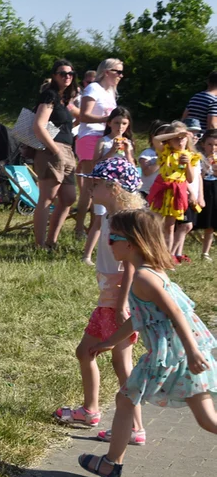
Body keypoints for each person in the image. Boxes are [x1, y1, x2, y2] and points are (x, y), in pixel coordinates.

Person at [78, 209, 217, 477]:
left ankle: (111, 464)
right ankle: (111, 463)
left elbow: (177, 314)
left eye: (111, 238)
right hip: (177, 354)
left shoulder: (143, 278)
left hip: (173, 356)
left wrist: (191, 352)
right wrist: (110, 341)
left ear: (130, 243)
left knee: (128, 399)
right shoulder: (150, 273)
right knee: (203, 419)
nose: (108, 244)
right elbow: (143, 318)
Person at [53, 159, 145, 443]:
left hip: (118, 301)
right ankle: (91, 410)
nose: (89, 186)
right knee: (86, 351)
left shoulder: (124, 220)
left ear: (113, 187)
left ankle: (134, 427)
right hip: (109, 298)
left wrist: (120, 306)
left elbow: (131, 265)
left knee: (120, 363)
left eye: (95, 183)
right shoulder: (112, 216)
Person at [31, 60, 79, 249]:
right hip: (53, 149)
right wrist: (55, 150)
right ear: (54, 76)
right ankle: (41, 244)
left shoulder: (63, 99)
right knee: (47, 198)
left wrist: (106, 117)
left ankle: (52, 241)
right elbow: (38, 126)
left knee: (68, 198)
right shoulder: (49, 95)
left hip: (66, 150)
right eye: (62, 73)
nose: (67, 76)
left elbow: (81, 116)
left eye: (70, 73)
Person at [74, 59, 123, 239]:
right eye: (118, 71)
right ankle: (80, 227)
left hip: (105, 138)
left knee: (102, 184)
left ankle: (96, 226)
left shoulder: (110, 92)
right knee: (89, 185)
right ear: (107, 71)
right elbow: (84, 115)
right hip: (89, 138)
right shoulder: (93, 89)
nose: (121, 75)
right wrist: (106, 120)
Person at [82, 107, 136, 265]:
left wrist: (127, 153)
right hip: (104, 185)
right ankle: (87, 255)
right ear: (110, 123)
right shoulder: (103, 141)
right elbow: (95, 163)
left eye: (124, 123)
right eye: (117, 122)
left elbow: (132, 166)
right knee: (99, 219)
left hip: (122, 186)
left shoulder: (128, 143)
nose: (120, 127)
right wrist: (112, 151)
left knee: (121, 218)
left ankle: (120, 253)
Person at [147, 121, 199, 249]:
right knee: (155, 222)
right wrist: (175, 133)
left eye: (183, 138)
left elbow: (190, 179)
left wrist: (187, 164)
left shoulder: (190, 156)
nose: (180, 141)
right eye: (176, 138)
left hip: (176, 193)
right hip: (162, 190)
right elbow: (156, 139)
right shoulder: (166, 152)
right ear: (169, 140)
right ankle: (151, 250)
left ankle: (167, 256)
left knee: (169, 227)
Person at [171, 118, 204, 263]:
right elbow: (182, 176)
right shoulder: (178, 155)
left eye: (198, 134)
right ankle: (170, 253)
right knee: (184, 225)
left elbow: (198, 176)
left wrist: (200, 195)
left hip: (193, 194)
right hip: (183, 193)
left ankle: (178, 253)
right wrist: (191, 193)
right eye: (192, 133)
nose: (195, 137)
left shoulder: (193, 154)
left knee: (187, 225)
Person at [197, 129, 217, 260]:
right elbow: (199, 176)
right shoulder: (198, 157)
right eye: (210, 144)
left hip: (214, 188)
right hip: (201, 187)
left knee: (211, 222)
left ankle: (205, 252)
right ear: (203, 144)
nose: (213, 148)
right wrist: (206, 166)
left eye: (216, 145)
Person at [138, 121, 164, 199]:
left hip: (162, 192)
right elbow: (147, 172)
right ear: (153, 137)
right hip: (146, 192)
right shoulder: (147, 153)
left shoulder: (171, 154)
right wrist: (161, 158)